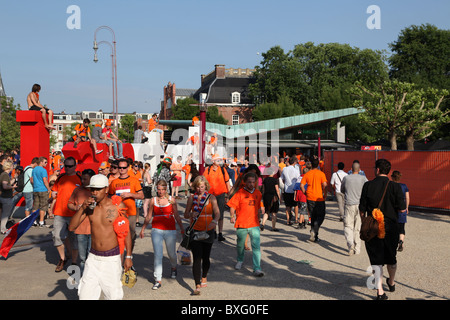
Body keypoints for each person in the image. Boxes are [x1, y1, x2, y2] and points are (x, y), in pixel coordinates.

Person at [68, 174, 133, 300]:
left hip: (111, 259)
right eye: (92, 189)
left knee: (113, 296)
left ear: (106, 189)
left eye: (98, 189)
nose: (94, 192)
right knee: (85, 296)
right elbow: (71, 227)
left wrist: (128, 256)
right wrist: (82, 208)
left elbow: (126, 232)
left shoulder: (117, 207)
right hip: (93, 258)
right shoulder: (89, 207)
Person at [359, 159, 406, 300]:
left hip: (373, 228)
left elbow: (361, 209)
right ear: (388, 171)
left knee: (376, 259)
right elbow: (402, 209)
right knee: (391, 257)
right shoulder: (395, 187)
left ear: (377, 170)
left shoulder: (367, 185)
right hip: (391, 227)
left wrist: (365, 222)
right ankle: (391, 282)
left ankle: (380, 291)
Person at [139, 180, 184, 290]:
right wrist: (143, 229)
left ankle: (173, 267)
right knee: (158, 255)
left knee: (171, 253)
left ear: (166, 190)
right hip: (156, 230)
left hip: (170, 229)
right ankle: (157, 279)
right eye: (159, 189)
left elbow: (177, 216)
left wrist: (182, 229)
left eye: (163, 189)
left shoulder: (171, 200)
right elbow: (149, 216)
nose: (160, 191)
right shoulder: (153, 200)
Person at [183, 176, 220, 295]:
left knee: (206, 257)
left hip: (208, 230)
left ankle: (204, 276)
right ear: (195, 187)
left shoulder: (211, 198)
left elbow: (217, 212)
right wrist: (190, 214)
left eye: (202, 186)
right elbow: (185, 215)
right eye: (198, 186)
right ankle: (197, 285)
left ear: (206, 186)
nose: (200, 189)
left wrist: (215, 221)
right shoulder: (192, 198)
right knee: (197, 258)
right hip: (195, 230)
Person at [227, 172, 265, 277]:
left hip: (254, 224)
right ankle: (240, 260)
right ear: (245, 182)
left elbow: (257, 208)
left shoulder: (258, 193)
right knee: (240, 245)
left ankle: (257, 268)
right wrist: (232, 216)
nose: (251, 184)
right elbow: (232, 206)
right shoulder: (239, 193)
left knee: (256, 246)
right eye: (249, 182)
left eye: (253, 182)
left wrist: (259, 220)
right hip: (241, 224)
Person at [51, 157, 82, 272]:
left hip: (75, 214)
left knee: (74, 239)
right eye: (66, 166)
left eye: (70, 166)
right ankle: (62, 259)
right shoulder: (61, 178)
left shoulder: (79, 178)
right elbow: (55, 191)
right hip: (60, 212)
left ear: (75, 166)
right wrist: (53, 197)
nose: (67, 168)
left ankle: (74, 262)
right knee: (57, 236)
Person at [108, 159, 144, 251]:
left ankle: (129, 257)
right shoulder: (114, 182)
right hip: (118, 213)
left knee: (130, 236)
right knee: (117, 236)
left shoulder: (134, 181)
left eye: (124, 167)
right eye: (120, 167)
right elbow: (109, 196)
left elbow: (141, 195)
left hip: (130, 212)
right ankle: (119, 257)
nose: (121, 169)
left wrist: (130, 194)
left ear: (128, 168)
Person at [67, 169, 96, 274]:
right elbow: (69, 204)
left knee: (91, 256)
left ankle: (91, 276)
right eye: (82, 179)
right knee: (83, 257)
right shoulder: (77, 190)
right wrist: (76, 208)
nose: (83, 181)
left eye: (85, 179)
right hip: (80, 229)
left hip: (93, 229)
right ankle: (84, 277)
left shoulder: (96, 191)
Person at [340, 161, 368, 255]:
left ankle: (350, 243)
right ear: (359, 170)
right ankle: (357, 248)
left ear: (351, 169)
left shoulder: (346, 178)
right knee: (358, 227)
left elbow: (342, 189)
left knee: (348, 225)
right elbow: (368, 189)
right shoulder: (363, 178)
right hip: (360, 205)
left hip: (349, 204)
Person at [203, 154, 231, 241]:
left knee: (221, 214)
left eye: (220, 160)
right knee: (212, 214)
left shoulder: (223, 170)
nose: (219, 161)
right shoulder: (207, 170)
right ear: (213, 161)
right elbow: (203, 182)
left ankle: (220, 233)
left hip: (221, 195)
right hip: (211, 196)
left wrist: (229, 194)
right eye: (217, 160)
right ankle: (213, 232)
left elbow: (227, 182)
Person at [300, 157, 328, 243]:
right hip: (319, 197)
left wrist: (305, 192)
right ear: (318, 165)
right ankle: (315, 229)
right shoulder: (321, 174)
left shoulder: (307, 174)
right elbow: (325, 185)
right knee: (321, 215)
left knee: (313, 216)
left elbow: (301, 185)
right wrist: (325, 194)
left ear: (311, 164)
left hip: (310, 197)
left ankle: (314, 234)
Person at [391, 170, 409, 252]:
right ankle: (401, 241)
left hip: (393, 209)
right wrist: (407, 207)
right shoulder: (404, 186)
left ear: (392, 177)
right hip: (402, 209)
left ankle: (393, 242)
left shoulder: (390, 185)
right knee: (402, 227)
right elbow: (407, 197)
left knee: (393, 227)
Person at [31, 157, 51, 228]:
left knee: (35, 206)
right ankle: (41, 222)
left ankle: (34, 221)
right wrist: (48, 188)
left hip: (36, 189)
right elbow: (45, 180)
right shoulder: (43, 170)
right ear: (41, 162)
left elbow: (32, 180)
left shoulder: (34, 169)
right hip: (43, 189)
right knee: (43, 206)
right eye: (45, 162)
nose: (46, 163)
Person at [281, 156, 300, 226]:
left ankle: (288, 220)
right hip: (294, 189)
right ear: (295, 162)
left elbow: (282, 179)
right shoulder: (296, 170)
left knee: (288, 206)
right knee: (295, 205)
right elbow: (298, 179)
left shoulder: (285, 169)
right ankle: (296, 219)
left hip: (287, 189)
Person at [260, 166, 281, 232]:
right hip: (273, 197)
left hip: (266, 196)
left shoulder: (265, 180)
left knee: (267, 211)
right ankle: (273, 227)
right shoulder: (275, 180)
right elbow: (277, 189)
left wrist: (263, 196)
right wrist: (279, 197)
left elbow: (263, 189)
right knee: (274, 212)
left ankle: (263, 224)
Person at [0, 160, 15, 234]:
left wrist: (13, 181)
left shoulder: (4, 174)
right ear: (9, 166)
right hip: (6, 197)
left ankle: (3, 228)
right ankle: (3, 229)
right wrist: (12, 187)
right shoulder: (5, 175)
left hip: (4, 196)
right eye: (12, 166)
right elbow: (5, 186)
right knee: (5, 215)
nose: (13, 167)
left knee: (4, 214)